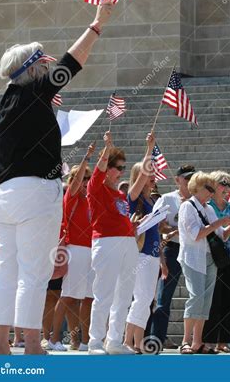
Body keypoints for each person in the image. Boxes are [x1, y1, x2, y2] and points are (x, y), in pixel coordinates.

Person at [0, 0, 113, 355]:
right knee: (33, 271)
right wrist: (97, 23)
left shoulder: (3, 106)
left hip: (4, 194)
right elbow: (72, 63)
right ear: (34, 68)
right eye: (44, 60)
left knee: (8, 269)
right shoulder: (33, 91)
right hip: (34, 190)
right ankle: (30, 344)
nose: (49, 63)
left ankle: (0, 344)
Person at [87, 131, 138, 355]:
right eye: (118, 167)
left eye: (123, 168)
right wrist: (107, 148)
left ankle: (114, 340)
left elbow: (119, 218)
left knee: (124, 295)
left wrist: (134, 226)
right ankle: (95, 342)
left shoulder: (119, 194)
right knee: (103, 294)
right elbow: (98, 170)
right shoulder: (95, 187)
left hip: (127, 243)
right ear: (107, 167)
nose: (121, 172)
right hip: (106, 243)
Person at [177, 172, 230, 354]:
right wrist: (220, 222)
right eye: (208, 188)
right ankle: (185, 341)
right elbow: (197, 234)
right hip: (193, 257)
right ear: (197, 188)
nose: (211, 192)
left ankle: (198, 342)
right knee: (196, 297)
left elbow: (220, 236)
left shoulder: (208, 209)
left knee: (206, 301)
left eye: (212, 188)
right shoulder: (188, 206)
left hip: (210, 258)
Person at [49, 144, 96, 352]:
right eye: (82, 178)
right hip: (75, 249)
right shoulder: (71, 196)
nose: (86, 182)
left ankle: (85, 341)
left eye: (88, 178)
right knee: (67, 296)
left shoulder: (90, 199)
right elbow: (76, 183)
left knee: (88, 298)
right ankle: (54, 339)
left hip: (91, 250)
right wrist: (86, 158)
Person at [124, 133, 168, 354]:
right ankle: (130, 341)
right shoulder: (133, 198)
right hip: (139, 253)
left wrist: (162, 260)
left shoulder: (152, 200)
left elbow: (156, 233)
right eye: (149, 174)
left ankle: (136, 342)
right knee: (140, 298)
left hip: (151, 253)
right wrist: (149, 149)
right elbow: (143, 174)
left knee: (147, 299)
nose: (152, 177)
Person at [150, 164, 196, 347]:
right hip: (172, 248)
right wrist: (179, 230)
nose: (190, 180)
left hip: (194, 249)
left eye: (193, 177)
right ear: (177, 180)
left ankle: (196, 340)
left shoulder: (199, 201)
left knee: (198, 295)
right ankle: (157, 338)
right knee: (164, 296)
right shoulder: (167, 199)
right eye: (187, 177)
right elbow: (158, 226)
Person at [202, 171, 230, 353]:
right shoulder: (207, 207)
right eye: (222, 183)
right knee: (213, 300)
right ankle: (209, 340)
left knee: (229, 299)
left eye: (228, 184)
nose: (226, 188)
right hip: (212, 256)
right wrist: (227, 226)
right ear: (213, 185)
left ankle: (223, 340)